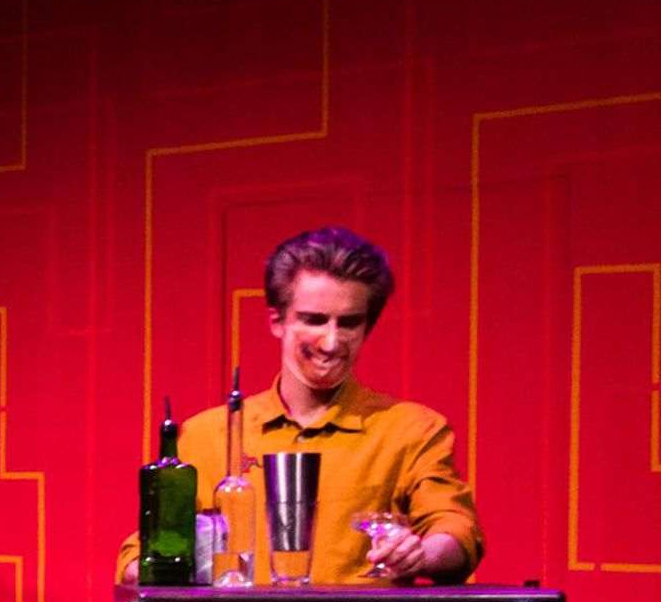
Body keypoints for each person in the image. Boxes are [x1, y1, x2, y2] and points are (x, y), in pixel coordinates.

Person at [122, 228, 479, 583]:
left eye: (350, 323)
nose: (331, 341)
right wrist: (150, 569)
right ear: (277, 321)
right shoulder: (208, 434)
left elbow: (456, 530)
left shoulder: (412, 430)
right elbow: (140, 556)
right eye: (314, 320)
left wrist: (418, 553)